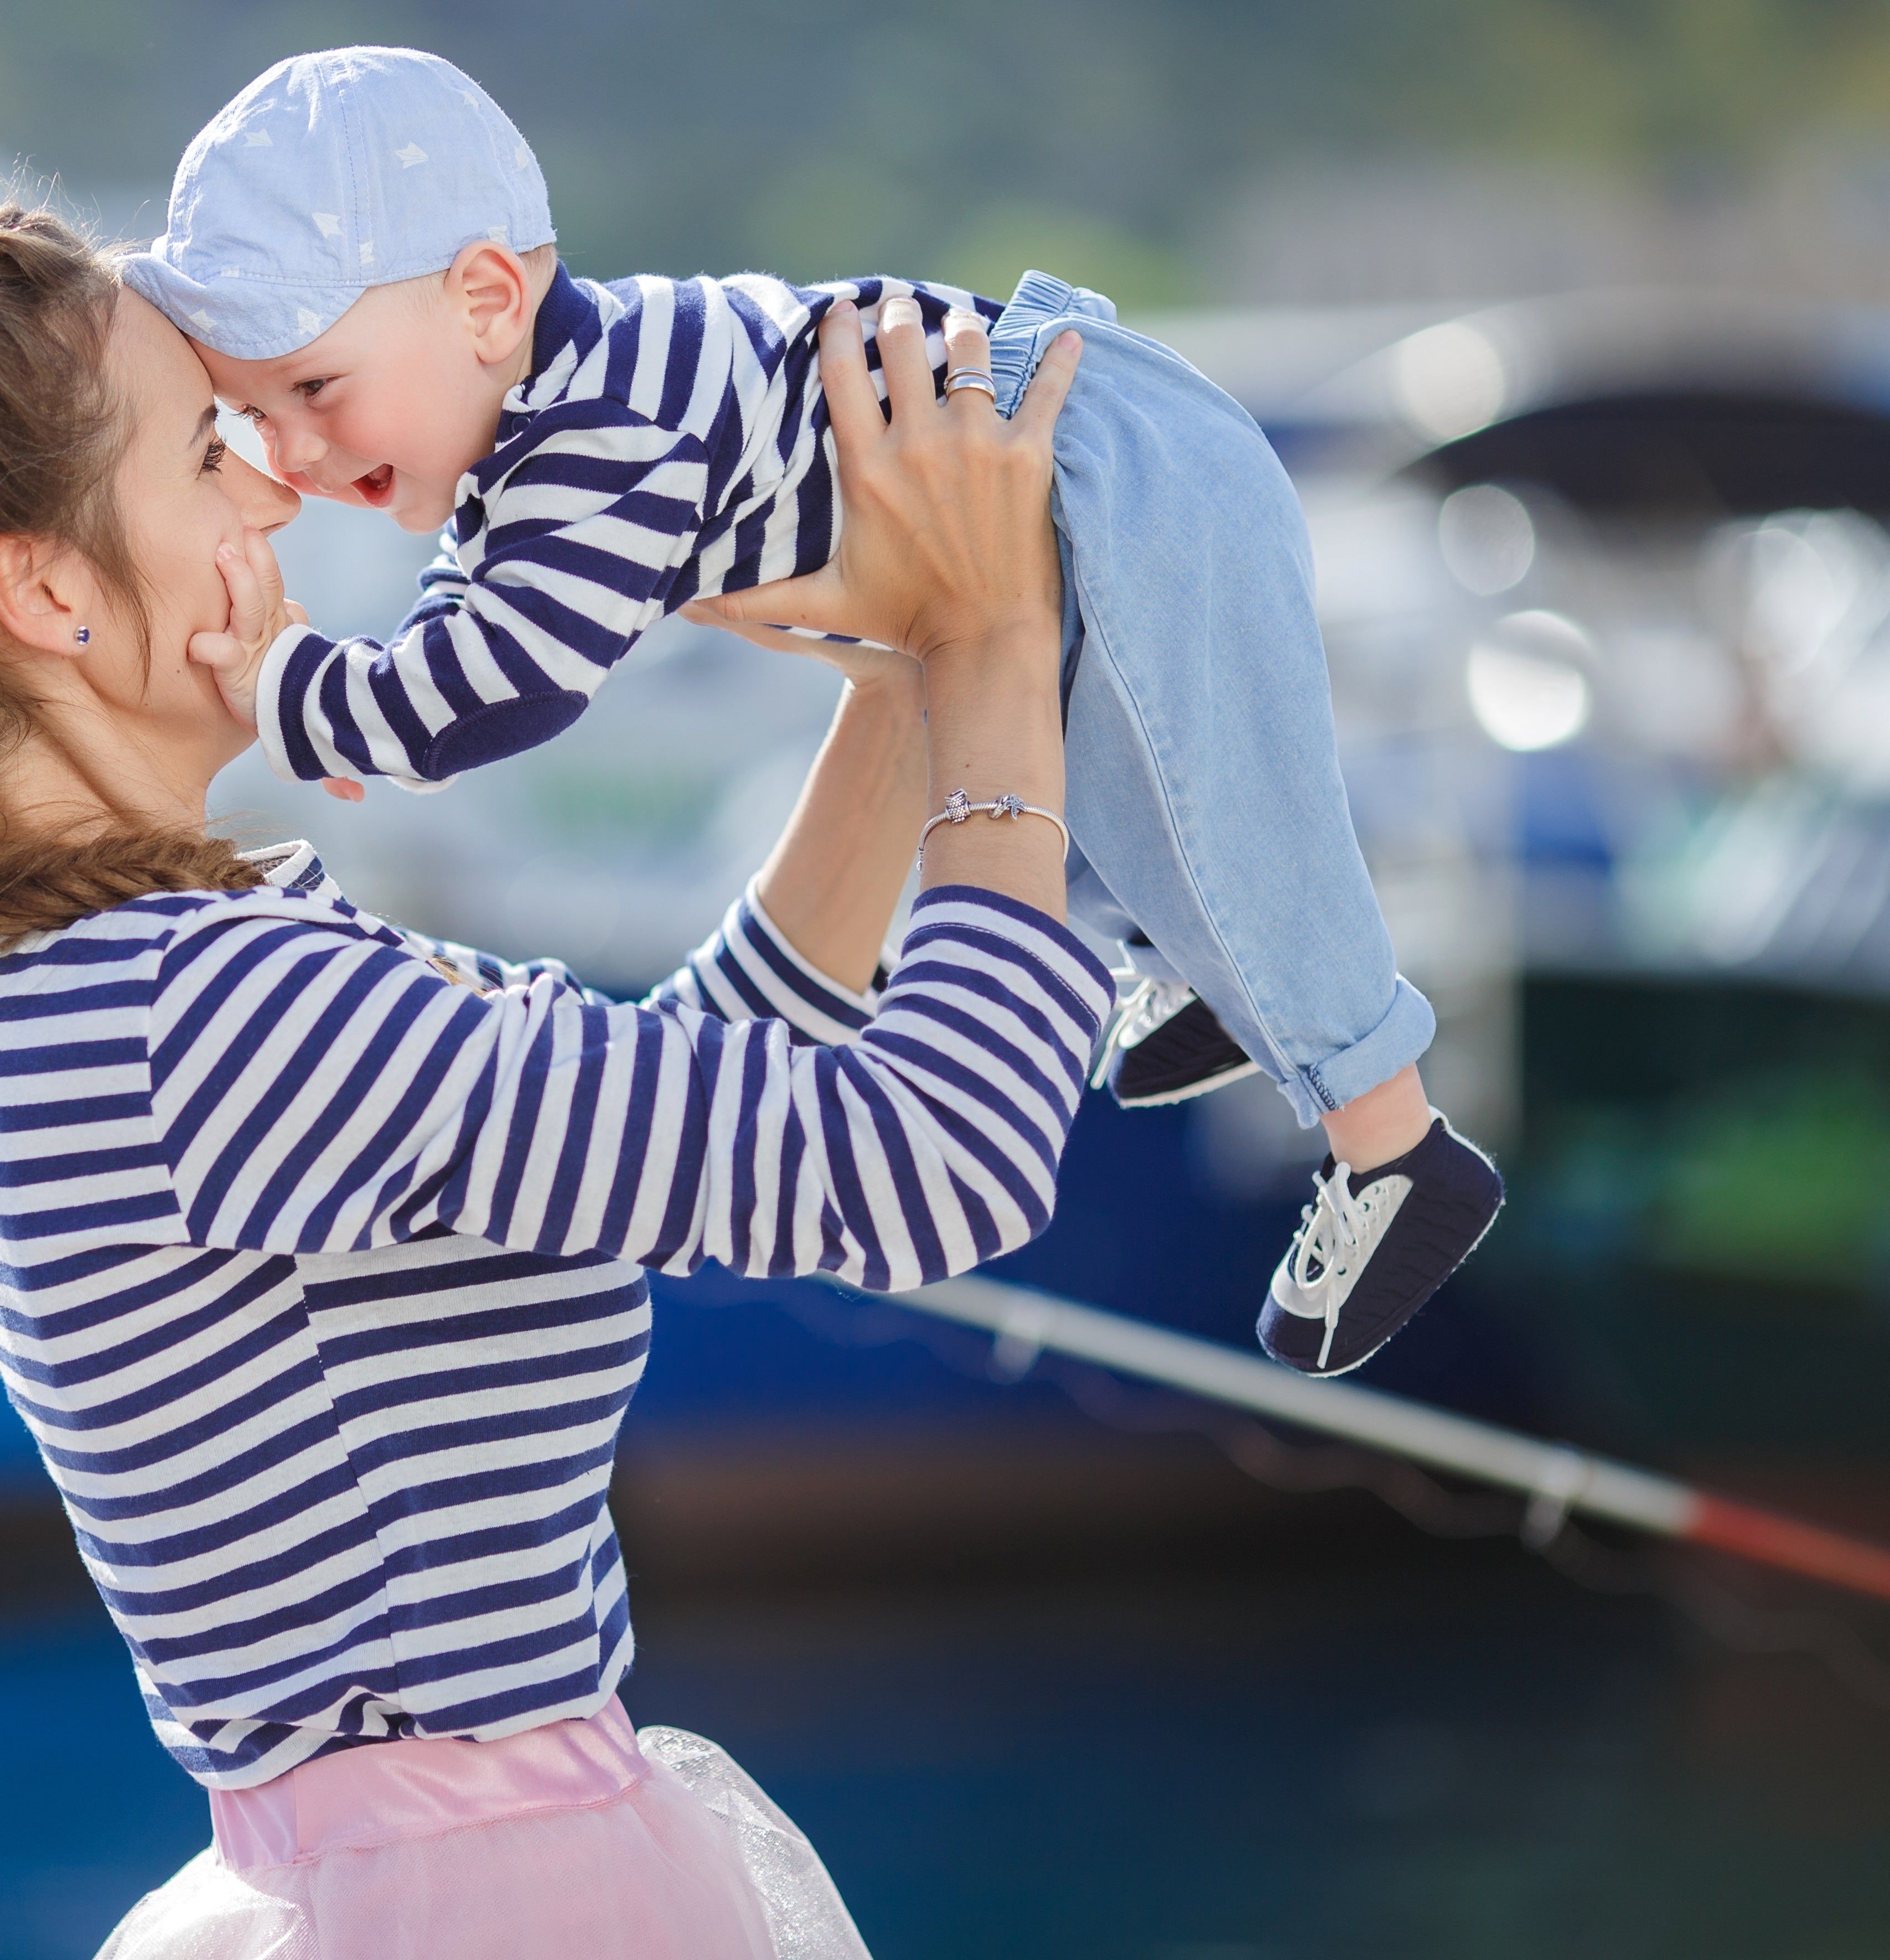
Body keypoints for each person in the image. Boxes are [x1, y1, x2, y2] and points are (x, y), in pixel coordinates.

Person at [0, 201, 1095, 1957]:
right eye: (209, 449)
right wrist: (999, 648)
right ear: (45, 589)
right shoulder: (207, 1004)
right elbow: (935, 1162)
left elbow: (671, 1100)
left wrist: (901, 691)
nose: (277, 488)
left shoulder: (30, 981)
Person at [121, 46, 1505, 1380]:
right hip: (1053, 441)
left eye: (311, 392)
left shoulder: (592, 442)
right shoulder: (545, 428)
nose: (290, 462)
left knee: (1222, 797)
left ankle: (1394, 1146)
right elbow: (459, 671)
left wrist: (288, 688)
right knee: (1132, 772)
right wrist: (363, 712)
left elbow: (490, 687)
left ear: (488, 301)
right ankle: (1208, 973)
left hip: (1089, 452)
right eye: (248, 420)